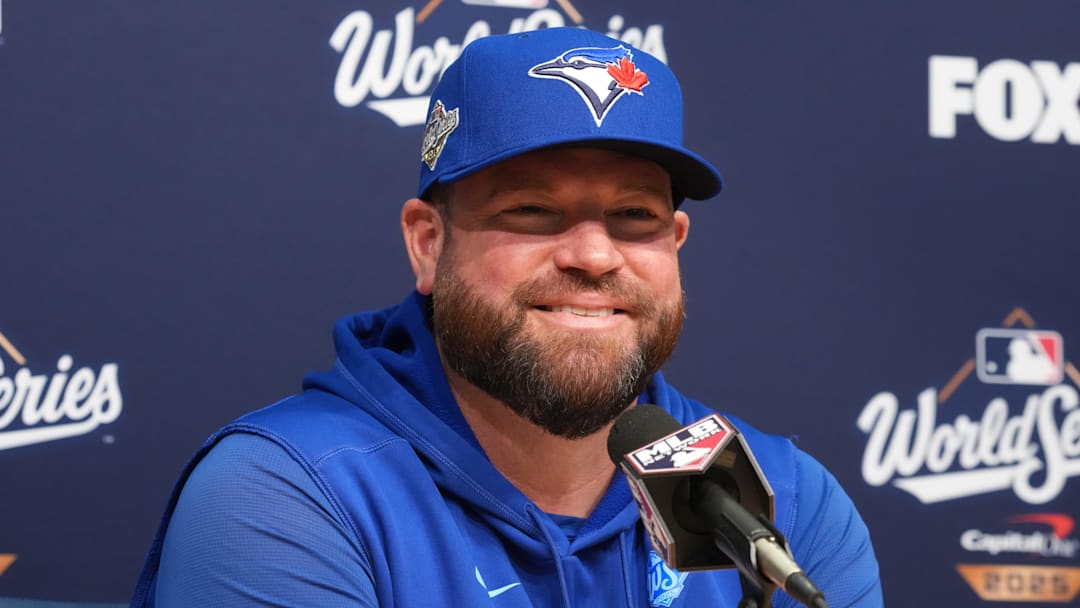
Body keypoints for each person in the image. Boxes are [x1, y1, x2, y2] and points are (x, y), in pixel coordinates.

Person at [132, 27, 882, 607]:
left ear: (676, 244)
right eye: (533, 211)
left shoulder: (783, 501)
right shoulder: (286, 492)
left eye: (633, 216)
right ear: (429, 245)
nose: (594, 255)